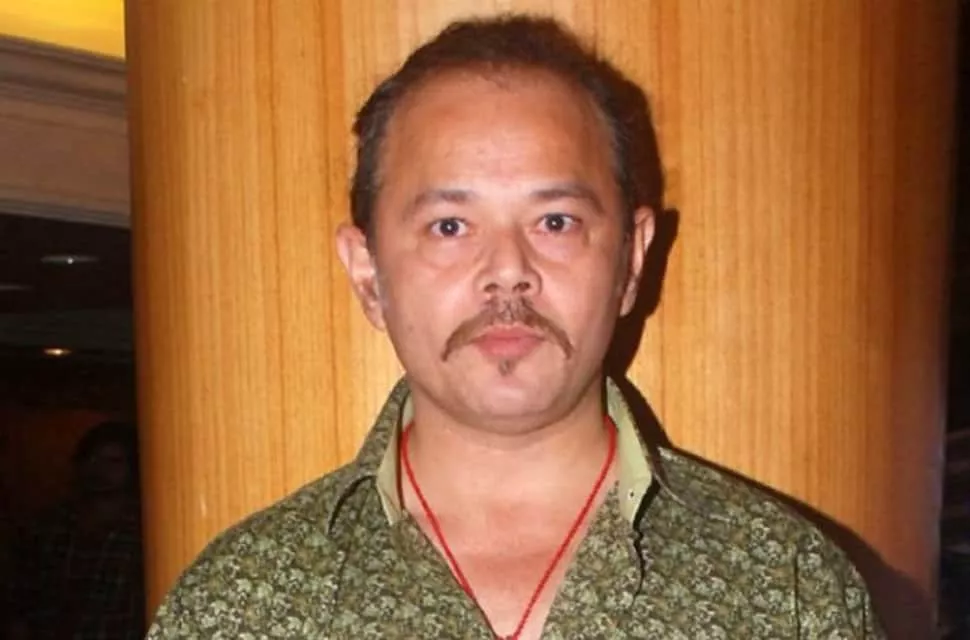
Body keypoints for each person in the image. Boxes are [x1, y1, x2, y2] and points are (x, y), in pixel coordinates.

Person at [147, 15, 884, 639]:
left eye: (555, 221)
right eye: (449, 225)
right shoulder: (237, 604)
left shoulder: (789, 587)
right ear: (368, 273)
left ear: (631, 260)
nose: (507, 271)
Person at [6, 420, 144, 640]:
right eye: (93, 459)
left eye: (114, 462)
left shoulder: (144, 533)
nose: (100, 470)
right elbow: (21, 593)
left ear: (132, 469)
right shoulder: (48, 526)